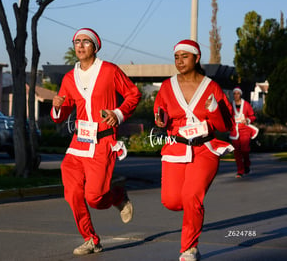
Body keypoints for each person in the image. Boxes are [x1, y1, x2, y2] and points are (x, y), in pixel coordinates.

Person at [50, 28, 141, 255]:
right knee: (72, 192)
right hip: (78, 143)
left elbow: (133, 94)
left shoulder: (109, 71)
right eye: (76, 42)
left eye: (85, 42)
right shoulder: (69, 78)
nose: (80, 45)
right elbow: (61, 114)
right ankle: (90, 239)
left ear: (95, 46)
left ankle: (118, 196)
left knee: (95, 197)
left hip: (103, 142)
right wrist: (57, 107)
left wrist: (118, 114)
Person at [154, 39, 234, 261]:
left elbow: (225, 126)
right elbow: (160, 112)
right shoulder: (167, 86)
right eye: (176, 57)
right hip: (175, 148)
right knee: (171, 201)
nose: (179, 61)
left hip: (205, 149)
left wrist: (214, 109)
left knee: (191, 197)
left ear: (196, 58)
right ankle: (192, 212)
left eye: (184, 56)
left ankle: (189, 248)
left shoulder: (212, 87)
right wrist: (160, 119)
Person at [229, 87, 258, 178]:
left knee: (245, 150)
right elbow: (227, 116)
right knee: (237, 152)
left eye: (238, 93)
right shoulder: (230, 105)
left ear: (240, 94)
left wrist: (248, 120)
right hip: (235, 131)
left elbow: (253, 116)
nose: (236, 95)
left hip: (245, 129)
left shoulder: (246, 105)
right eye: (234, 93)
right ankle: (240, 171)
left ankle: (247, 165)